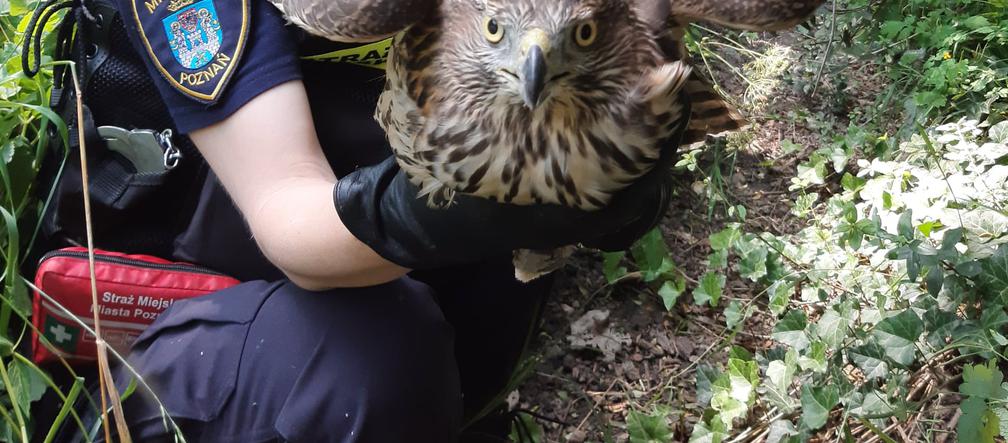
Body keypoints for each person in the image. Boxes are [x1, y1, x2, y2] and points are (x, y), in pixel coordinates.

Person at [28, 0, 678, 441]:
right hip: (189, 356)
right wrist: (466, 209)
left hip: (400, 342)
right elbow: (288, 213)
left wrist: (617, 152)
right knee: (374, 362)